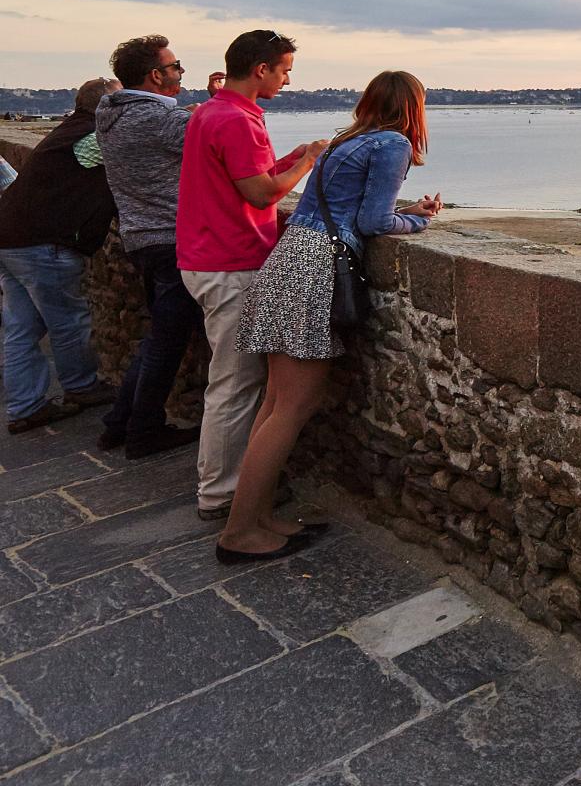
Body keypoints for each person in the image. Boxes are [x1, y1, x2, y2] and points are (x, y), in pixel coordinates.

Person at [217, 70, 440, 561]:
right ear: (414, 107)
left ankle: (256, 517)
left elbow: (348, 206)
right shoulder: (392, 145)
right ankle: (238, 534)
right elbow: (372, 222)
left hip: (290, 257)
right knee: (291, 409)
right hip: (316, 271)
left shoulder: (348, 140)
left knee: (275, 405)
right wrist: (417, 222)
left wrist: (407, 208)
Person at [177, 31, 328, 521]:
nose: (287, 78)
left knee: (233, 381)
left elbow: (247, 181)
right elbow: (263, 195)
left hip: (208, 257)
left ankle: (230, 484)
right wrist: (307, 162)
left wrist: (291, 157)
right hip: (230, 262)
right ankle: (222, 494)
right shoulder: (236, 120)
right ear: (260, 68)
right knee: (235, 384)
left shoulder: (211, 111)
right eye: (284, 69)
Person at [95, 35, 225, 458]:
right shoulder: (159, 121)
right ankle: (143, 432)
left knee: (159, 337)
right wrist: (222, 100)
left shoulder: (109, 112)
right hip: (173, 240)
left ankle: (118, 423)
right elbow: (218, 137)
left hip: (139, 237)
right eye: (176, 66)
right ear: (156, 75)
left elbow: (181, 120)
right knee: (165, 343)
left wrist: (204, 102)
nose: (181, 72)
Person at [0, 77, 120, 433]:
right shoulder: (91, 137)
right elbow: (133, 147)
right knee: (68, 321)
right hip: (42, 242)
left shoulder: (70, 129)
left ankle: (25, 407)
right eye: (120, 100)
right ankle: (81, 387)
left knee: (21, 327)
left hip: (10, 236)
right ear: (103, 106)